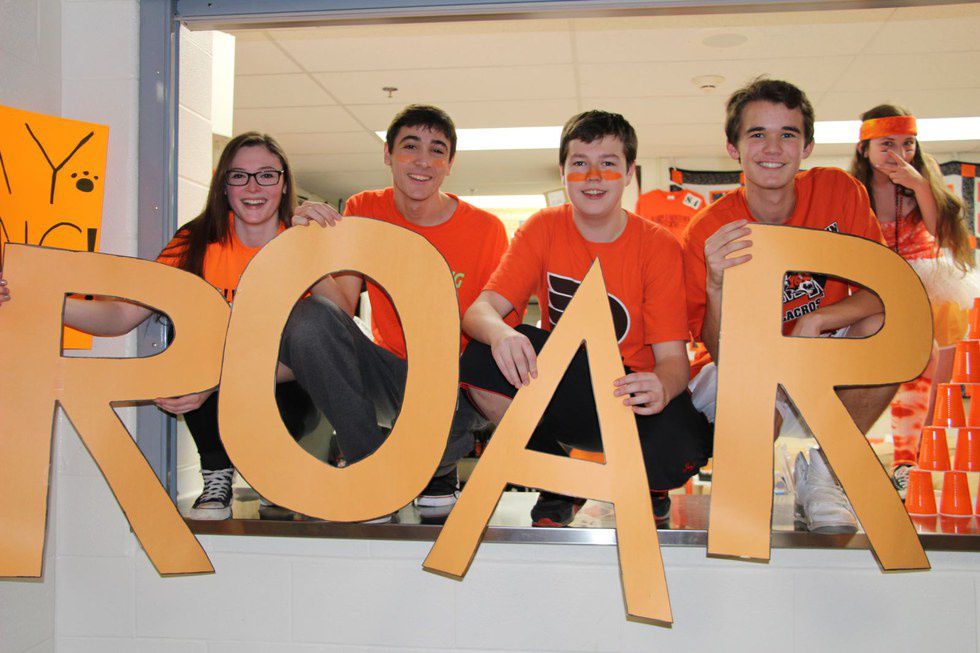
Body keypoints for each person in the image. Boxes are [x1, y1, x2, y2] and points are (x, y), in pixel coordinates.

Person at [0, 131, 320, 521]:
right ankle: (216, 471)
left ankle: (277, 471)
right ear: (224, 185)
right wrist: (37, 296)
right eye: (239, 175)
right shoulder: (196, 241)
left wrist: (220, 381)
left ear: (284, 183)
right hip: (216, 385)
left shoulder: (303, 243)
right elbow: (121, 316)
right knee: (189, 356)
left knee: (240, 366)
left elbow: (315, 356)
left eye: (266, 175)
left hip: (288, 389)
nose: (253, 187)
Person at [459, 110, 712, 527]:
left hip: (630, 396)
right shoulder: (542, 228)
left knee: (685, 446)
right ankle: (557, 480)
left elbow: (673, 362)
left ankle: (650, 486)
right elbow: (479, 312)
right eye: (580, 163)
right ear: (563, 173)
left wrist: (662, 387)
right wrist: (502, 334)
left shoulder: (658, 245)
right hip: (565, 388)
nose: (593, 176)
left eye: (608, 163)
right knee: (480, 357)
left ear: (628, 173)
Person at [281, 104, 514, 519]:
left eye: (437, 150)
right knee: (308, 319)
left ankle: (437, 469)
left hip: (454, 387)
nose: (423, 160)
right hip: (389, 374)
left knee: (466, 408)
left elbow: (496, 334)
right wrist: (306, 249)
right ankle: (370, 470)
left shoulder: (486, 229)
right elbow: (340, 307)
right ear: (387, 154)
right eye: (410, 146)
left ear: (450, 164)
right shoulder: (365, 209)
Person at [682, 78, 890, 534]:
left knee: (889, 328)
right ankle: (746, 477)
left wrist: (819, 318)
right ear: (733, 149)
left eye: (788, 134)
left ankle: (825, 470)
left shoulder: (839, 190)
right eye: (757, 134)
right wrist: (715, 285)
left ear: (807, 146)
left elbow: (887, 290)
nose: (773, 148)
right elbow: (718, 351)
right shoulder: (707, 229)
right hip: (744, 368)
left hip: (819, 358)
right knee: (745, 516)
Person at [850, 104, 978, 496]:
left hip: (928, 286)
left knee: (930, 374)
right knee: (884, 374)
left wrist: (920, 185)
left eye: (908, 143)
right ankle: (853, 455)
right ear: (864, 149)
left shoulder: (923, 182)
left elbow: (943, 234)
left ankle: (910, 462)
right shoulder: (854, 191)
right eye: (887, 144)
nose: (899, 153)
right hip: (875, 289)